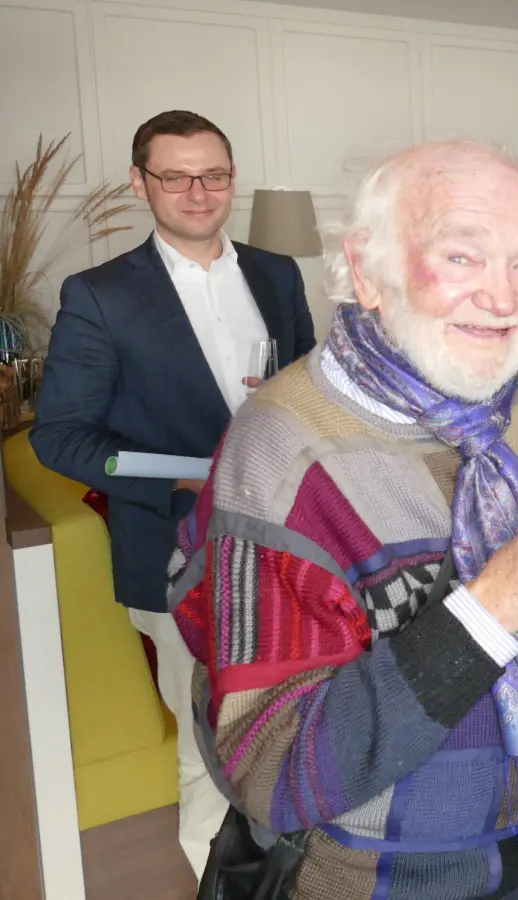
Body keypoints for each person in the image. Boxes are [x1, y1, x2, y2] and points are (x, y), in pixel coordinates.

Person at [168, 140, 518, 897]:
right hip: (390, 877)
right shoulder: (281, 456)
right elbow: (271, 768)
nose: (504, 299)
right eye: (462, 257)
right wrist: (489, 611)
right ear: (368, 272)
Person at [30, 109, 316, 876]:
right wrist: (180, 473)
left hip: (285, 549)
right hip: (174, 550)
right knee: (208, 750)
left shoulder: (277, 274)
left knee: (291, 728)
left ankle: (296, 875)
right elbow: (60, 437)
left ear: (233, 179)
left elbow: (307, 389)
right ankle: (217, 883)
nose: (198, 192)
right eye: (176, 176)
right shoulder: (100, 295)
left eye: (213, 175)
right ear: (140, 182)